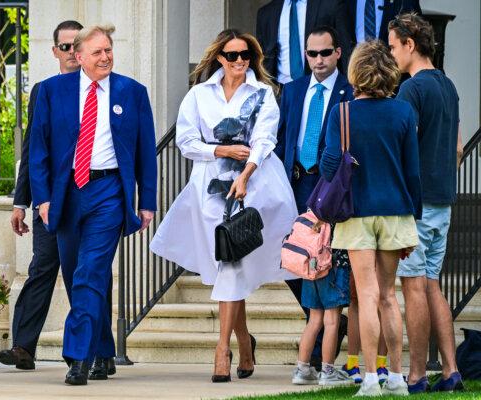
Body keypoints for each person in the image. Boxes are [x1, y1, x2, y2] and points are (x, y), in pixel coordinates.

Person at [150, 29, 297, 383]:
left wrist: (244, 174)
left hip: (253, 184)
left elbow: (264, 139)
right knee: (230, 267)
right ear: (220, 58)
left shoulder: (263, 93)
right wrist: (221, 150)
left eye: (245, 55)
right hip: (209, 187)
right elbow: (186, 140)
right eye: (232, 56)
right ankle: (245, 342)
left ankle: (223, 349)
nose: (240, 62)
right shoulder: (199, 95)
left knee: (232, 267)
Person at [29, 24, 157, 386]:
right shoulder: (52, 91)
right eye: (97, 52)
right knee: (76, 276)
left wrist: (146, 200)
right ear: (79, 57)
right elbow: (39, 149)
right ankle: (103, 349)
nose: (105, 57)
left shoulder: (132, 92)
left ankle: (78, 357)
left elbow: (146, 149)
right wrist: (42, 199)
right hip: (67, 194)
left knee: (90, 271)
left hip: (108, 192)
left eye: (109, 50)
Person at [319, 40, 421, 397]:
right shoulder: (404, 113)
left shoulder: (342, 113)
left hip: (356, 212)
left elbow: (330, 166)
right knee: (389, 297)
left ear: (355, 71)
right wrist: (414, 221)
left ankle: (370, 380)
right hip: (396, 212)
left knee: (365, 294)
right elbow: (413, 172)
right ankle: (396, 376)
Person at [0, 20, 88, 372]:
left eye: (75, 46)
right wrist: (21, 202)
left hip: (91, 200)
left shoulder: (104, 89)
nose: (70, 53)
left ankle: (93, 350)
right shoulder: (44, 90)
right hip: (50, 201)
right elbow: (34, 148)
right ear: (55, 52)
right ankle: (23, 346)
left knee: (85, 273)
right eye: (64, 47)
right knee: (42, 268)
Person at [389, 12, 464, 393]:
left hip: (417, 204)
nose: (391, 54)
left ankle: (416, 374)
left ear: (409, 44)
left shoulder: (411, 90)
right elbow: (458, 148)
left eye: (393, 46)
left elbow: (402, 148)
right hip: (445, 201)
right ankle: (450, 371)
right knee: (431, 285)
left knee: (413, 286)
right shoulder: (448, 86)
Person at [275, 25, 352, 372]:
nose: (318, 60)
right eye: (312, 53)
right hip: (294, 186)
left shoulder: (349, 93)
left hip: (329, 189)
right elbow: (280, 139)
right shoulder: (290, 91)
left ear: (338, 53)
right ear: (305, 55)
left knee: (326, 262)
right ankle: (323, 333)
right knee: (294, 261)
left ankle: (322, 344)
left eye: (325, 53)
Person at [255, 0, 352, 89]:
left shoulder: (332, 4)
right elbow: (262, 58)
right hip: (280, 92)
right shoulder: (266, 13)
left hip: (323, 89)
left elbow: (345, 49)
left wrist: (350, 87)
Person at [292, 248, 352, 386]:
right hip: (334, 262)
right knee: (331, 321)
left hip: (311, 263)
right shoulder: (331, 224)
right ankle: (328, 371)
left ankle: (302, 370)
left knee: (314, 320)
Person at [347, 0, 421, 45]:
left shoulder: (405, 2)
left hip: (391, 67)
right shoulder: (342, 3)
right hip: (353, 66)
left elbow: (418, 35)